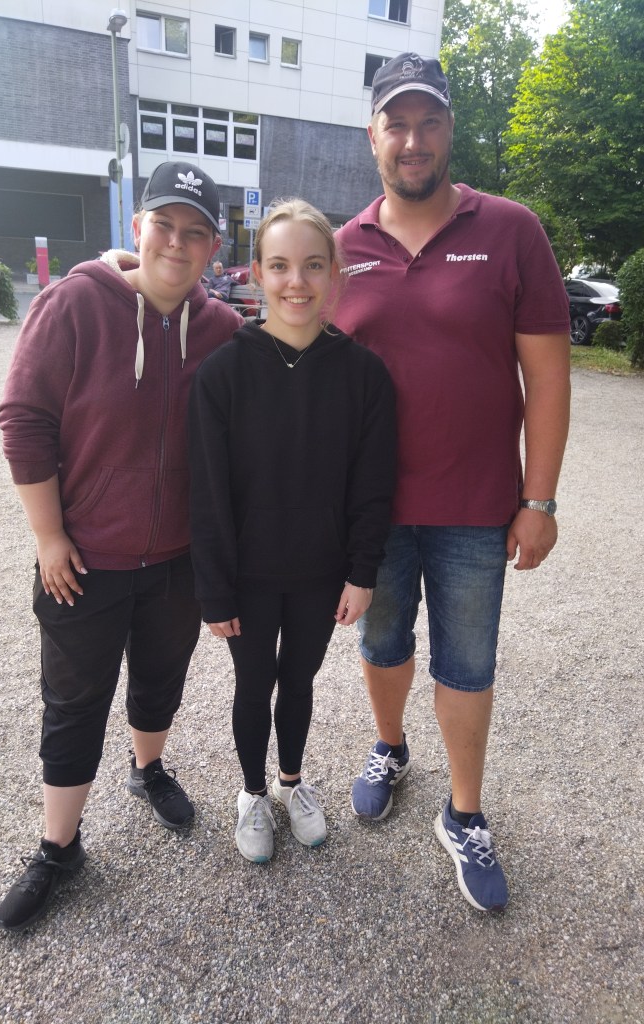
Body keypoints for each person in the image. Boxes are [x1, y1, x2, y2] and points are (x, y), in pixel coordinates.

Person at [334, 53, 571, 912]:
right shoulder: (340, 249)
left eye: (428, 121)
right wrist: (134, 282)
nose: (413, 140)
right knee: (382, 645)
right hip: (372, 513)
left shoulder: (511, 230)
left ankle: (463, 812)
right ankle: (389, 747)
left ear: (450, 130)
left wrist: (539, 500)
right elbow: (281, 354)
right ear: (372, 137)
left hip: (476, 508)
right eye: (396, 124)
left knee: (467, 663)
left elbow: (547, 377)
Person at [0, 161, 243, 931]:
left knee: (160, 682)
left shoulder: (223, 332)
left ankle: (148, 768)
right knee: (74, 704)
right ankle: (58, 847)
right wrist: (48, 534)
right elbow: (24, 419)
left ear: (213, 249)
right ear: (137, 228)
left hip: (176, 563)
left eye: (195, 232)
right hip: (84, 561)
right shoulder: (75, 304)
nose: (177, 242)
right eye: (163, 224)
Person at [188, 199, 397, 863]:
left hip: (319, 572)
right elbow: (207, 493)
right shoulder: (223, 373)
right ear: (257, 272)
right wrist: (214, 590)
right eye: (279, 266)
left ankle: (291, 782)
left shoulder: (364, 375)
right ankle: (252, 793)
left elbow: (373, 485)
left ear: (335, 271)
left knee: (300, 681)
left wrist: (362, 572)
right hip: (248, 575)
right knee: (254, 685)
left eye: (312, 265)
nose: (296, 282)